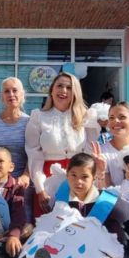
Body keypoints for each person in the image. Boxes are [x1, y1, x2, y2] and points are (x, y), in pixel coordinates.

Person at [22, 152, 129, 258]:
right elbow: (53, 222)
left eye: (84, 177)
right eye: (73, 175)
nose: (78, 181)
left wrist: (115, 251)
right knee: (51, 253)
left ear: (94, 178)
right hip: (66, 245)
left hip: (91, 247)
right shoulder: (62, 196)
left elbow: (113, 227)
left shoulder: (103, 201)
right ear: (67, 175)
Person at [25, 73, 97, 216]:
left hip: (79, 177)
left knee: (77, 223)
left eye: (69, 87)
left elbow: (90, 152)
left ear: (75, 92)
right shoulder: (38, 116)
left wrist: (88, 182)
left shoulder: (87, 116)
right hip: (48, 177)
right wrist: (40, 189)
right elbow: (34, 154)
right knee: (46, 223)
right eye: (59, 86)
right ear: (51, 90)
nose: (63, 90)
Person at [0, 77, 31, 186]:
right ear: (2, 97)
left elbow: (33, 154)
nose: (11, 94)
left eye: (15, 90)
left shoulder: (30, 123)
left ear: (22, 94)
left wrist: (26, 175)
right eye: (7, 91)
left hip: (22, 184)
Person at [99, 102, 129, 187]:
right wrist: (100, 172)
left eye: (122, 117)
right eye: (111, 118)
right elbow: (105, 191)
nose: (116, 121)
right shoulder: (101, 153)